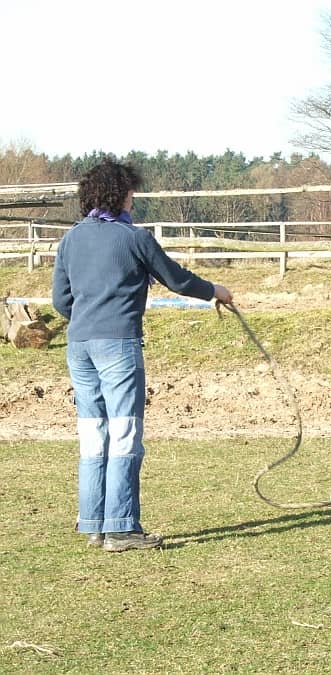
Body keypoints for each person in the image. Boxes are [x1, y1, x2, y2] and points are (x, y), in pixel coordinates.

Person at [52, 157, 233, 552]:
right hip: (118, 344)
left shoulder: (70, 240)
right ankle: (122, 528)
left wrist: (86, 317)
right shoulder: (136, 239)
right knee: (124, 433)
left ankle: (95, 524)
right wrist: (214, 290)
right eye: (132, 192)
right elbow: (177, 278)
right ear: (122, 194)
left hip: (78, 346)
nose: (135, 199)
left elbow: (61, 301)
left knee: (92, 434)